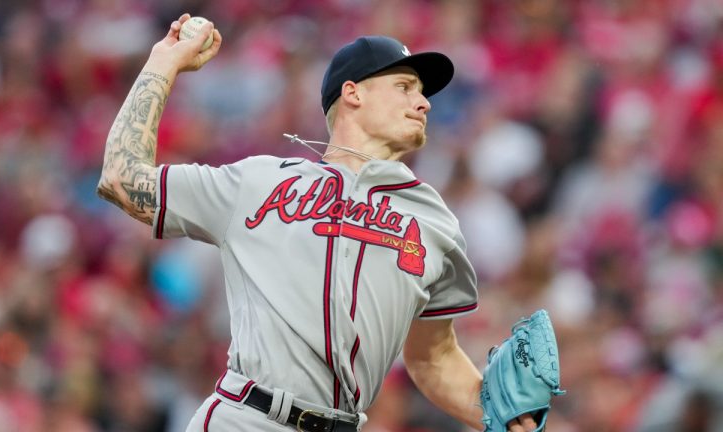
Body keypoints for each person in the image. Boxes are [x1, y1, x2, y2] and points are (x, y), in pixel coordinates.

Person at [97, 13, 539, 432]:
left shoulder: (435, 220)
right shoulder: (258, 181)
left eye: (421, 92)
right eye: (405, 86)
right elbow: (122, 178)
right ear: (354, 93)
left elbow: (435, 357)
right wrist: (163, 62)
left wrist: (494, 416)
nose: (423, 102)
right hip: (246, 416)